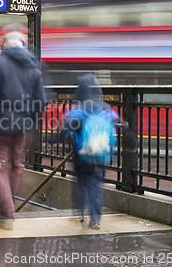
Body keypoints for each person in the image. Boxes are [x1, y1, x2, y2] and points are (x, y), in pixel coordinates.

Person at [0, 29, 46, 230]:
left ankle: (6, 214)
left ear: (5, 45)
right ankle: (10, 207)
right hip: (22, 125)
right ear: (22, 45)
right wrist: (29, 120)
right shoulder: (34, 67)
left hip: (1, 123)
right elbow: (40, 102)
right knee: (16, 166)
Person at [64, 73, 118, 230]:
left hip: (81, 157)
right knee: (95, 184)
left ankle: (80, 212)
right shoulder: (105, 108)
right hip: (100, 156)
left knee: (81, 183)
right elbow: (122, 124)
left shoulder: (77, 110)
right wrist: (132, 143)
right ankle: (95, 218)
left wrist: (53, 141)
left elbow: (65, 128)